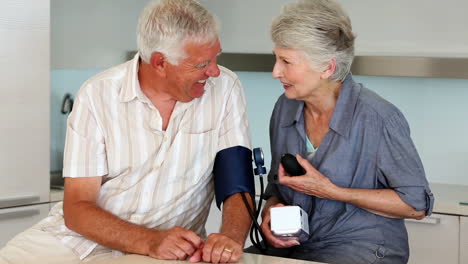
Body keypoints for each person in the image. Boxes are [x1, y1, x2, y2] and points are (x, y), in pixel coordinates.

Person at [0, 0, 255, 263]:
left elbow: (238, 184)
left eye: (216, 57)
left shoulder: (225, 89)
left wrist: (231, 238)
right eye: (202, 64)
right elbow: (76, 208)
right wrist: (149, 240)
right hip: (74, 240)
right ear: (159, 62)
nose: (214, 71)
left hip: (167, 252)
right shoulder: (97, 95)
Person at [253, 0, 434, 263]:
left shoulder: (378, 117)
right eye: (276, 58)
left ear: (327, 67)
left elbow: (416, 205)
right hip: (296, 246)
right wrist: (272, 209)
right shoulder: (285, 107)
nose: (275, 72)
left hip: (363, 248)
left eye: (286, 61)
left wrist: (330, 190)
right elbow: (276, 184)